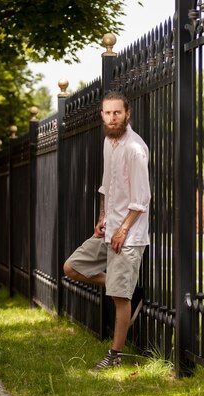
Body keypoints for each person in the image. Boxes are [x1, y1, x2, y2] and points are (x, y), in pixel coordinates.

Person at [63, 91, 150, 371]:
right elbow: (106, 186)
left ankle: (115, 355)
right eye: (107, 113)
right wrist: (102, 217)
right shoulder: (108, 142)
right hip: (109, 228)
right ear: (101, 114)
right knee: (71, 267)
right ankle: (127, 290)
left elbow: (141, 199)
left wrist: (123, 230)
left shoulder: (135, 149)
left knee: (118, 299)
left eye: (117, 113)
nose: (112, 119)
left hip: (129, 234)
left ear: (128, 114)